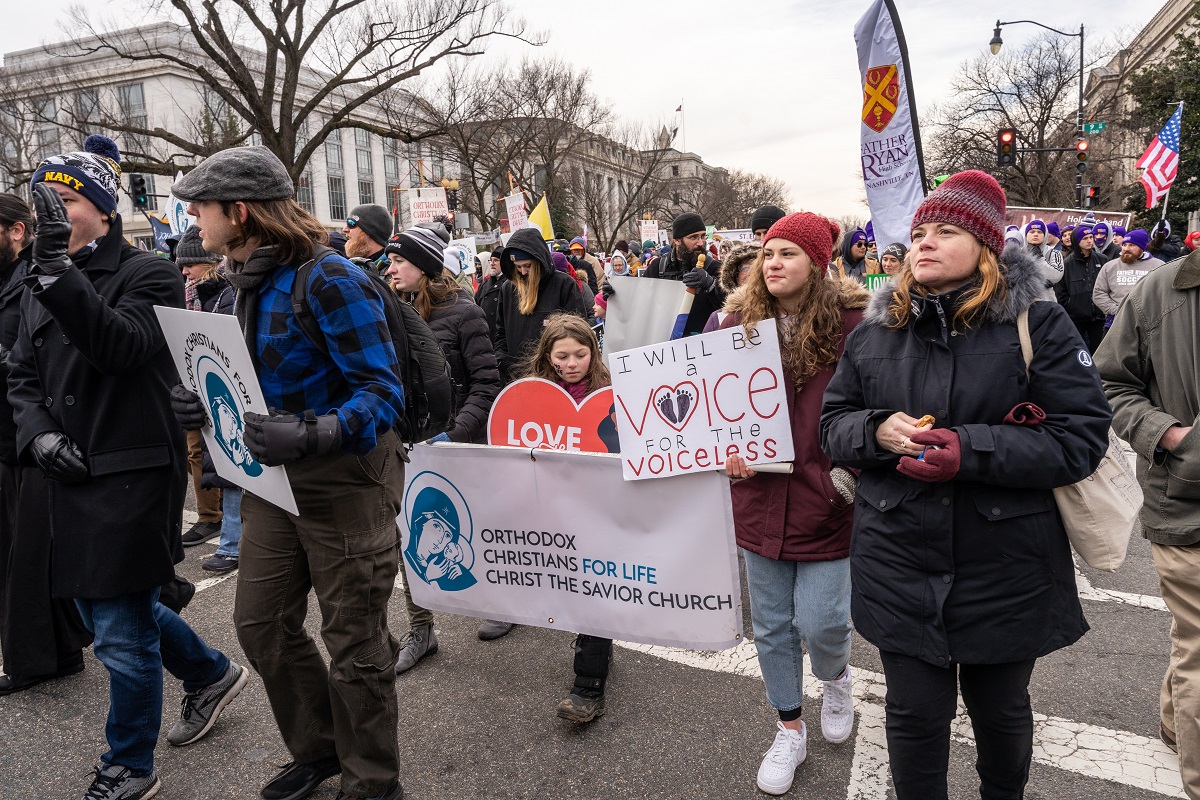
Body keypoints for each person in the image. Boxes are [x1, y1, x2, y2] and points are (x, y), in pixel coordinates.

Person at [820, 170, 1111, 800]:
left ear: (988, 247)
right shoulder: (874, 331)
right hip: (898, 560)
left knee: (1001, 715)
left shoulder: (1039, 325)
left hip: (1004, 566)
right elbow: (832, 426)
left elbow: (1080, 439)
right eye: (919, 231)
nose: (924, 242)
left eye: (946, 231)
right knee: (913, 717)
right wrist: (878, 432)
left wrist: (969, 450)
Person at [10, 136, 247, 799]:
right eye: (44, 203)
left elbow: (123, 348)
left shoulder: (148, 271)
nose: (50, 213)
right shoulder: (37, 276)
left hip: (132, 473)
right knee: (115, 608)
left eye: (65, 200)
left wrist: (58, 272)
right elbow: (20, 375)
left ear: (103, 210)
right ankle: (210, 674)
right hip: (66, 473)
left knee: (117, 631)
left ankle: (129, 764)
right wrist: (35, 434)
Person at [170, 145, 406, 800]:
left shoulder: (330, 278)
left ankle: (373, 782)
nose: (192, 215)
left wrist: (312, 430)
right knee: (260, 624)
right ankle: (321, 750)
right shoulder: (237, 281)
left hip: (345, 483)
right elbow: (238, 384)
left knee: (355, 646)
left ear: (239, 212)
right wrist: (197, 402)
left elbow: (383, 395)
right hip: (273, 483)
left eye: (201, 206)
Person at [722, 213, 868, 796]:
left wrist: (846, 478)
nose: (773, 262)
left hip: (824, 498)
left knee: (823, 619)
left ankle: (835, 677)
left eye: (787, 252)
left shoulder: (854, 326)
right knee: (772, 628)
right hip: (758, 500)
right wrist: (725, 452)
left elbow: (878, 406)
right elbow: (714, 407)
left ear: (818, 262)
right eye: (767, 253)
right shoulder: (737, 323)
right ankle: (788, 727)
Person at [1095, 242, 1200, 800]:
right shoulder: (1162, 291)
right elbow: (1110, 383)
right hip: (1188, 504)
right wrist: (1172, 436)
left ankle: (1172, 719)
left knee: (1195, 642)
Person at [382, 224, 501, 670]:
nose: (390, 268)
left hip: (456, 445)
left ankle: (498, 605)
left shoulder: (465, 314)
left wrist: (454, 434)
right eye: (390, 260)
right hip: (408, 443)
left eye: (399, 261)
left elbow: (487, 385)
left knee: (474, 528)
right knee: (408, 536)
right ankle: (421, 628)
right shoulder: (389, 310)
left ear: (426, 268)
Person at [0, 192, 92, 698]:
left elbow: (41, 358)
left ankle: (39, 657)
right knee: (20, 552)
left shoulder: (37, 278)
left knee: (31, 557)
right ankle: (56, 650)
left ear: (16, 231)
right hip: (14, 431)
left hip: (37, 434)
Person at [516, 314, 615, 723]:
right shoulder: (532, 397)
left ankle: (587, 687)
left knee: (596, 589)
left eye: (580, 354)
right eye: (563, 356)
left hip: (602, 508)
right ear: (548, 357)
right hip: (555, 509)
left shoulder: (612, 396)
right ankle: (600, 648)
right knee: (575, 589)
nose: (572, 363)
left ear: (593, 352)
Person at [176, 225, 228, 547]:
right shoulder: (189, 293)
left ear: (207, 262)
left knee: (213, 451)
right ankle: (211, 514)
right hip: (193, 382)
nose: (183, 271)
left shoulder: (225, 290)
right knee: (195, 451)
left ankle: (216, 517)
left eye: (189, 264)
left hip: (219, 383)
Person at [493, 227, 588, 384]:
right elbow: (501, 334)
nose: (522, 272)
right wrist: (504, 362)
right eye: (517, 266)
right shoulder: (508, 289)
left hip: (555, 378)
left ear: (539, 261)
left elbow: (579, 333)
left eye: (527, 266)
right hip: (516, 378)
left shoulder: (564, 285)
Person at [636, 212, 724, 336]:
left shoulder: (715, 268)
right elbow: (638, 302)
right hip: (665, 346)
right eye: (693, 237)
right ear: (677, 240)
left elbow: (731, 308)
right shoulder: (658, 267)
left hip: (704, 347)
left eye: (703, 236)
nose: (700, 243)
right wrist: (615, 295)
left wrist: (711, 285)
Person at [1091, 229, 1164, 326]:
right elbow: (1098, 293)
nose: (1126, 248)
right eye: (1124, 245)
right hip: (1115, 322)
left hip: (1148, 323)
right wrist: (1116, 310)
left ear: (1142, 247)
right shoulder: (1110, 266)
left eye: (1132, 245)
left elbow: (1164, 293)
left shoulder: (1158, 266)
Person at [1055, 224, 1108, 353]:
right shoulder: (1067, 264)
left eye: (1091, 237)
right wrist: (1072, 307)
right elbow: (1061, 292)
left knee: (1099, 353)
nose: (1090, 240)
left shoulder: (1103, 260)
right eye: (1085, 238)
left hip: (1099, 317)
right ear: (1076, 241)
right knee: (1077, 352)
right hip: (1076, 318)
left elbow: (1109, 286)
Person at [702, 242, 761, 333]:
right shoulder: (717, 318)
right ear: (735, 276)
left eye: (757, 267)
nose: (751, 273)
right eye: (745, 268)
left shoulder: (781, 310)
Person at [341, 203, 392, 276]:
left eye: (351, 223)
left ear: (369, 231)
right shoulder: (351, 267)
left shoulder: (393, 273)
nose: (344, 229)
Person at [1022, 219, 1064, 302]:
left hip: (1046, 302)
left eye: (1039, 232)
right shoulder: (1019, 253)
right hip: (1023, 303)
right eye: (1032, 231)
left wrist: (1039, 258)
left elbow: (1057, 276)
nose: (1036, 234)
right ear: (1026, 235)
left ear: (1045, 235)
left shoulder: (1054, 253)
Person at [475, 246, 507, 341]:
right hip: (485, 336)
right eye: (491, 260)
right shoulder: (485, 284)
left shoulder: (509, 284)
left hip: (500, 337)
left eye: (496, 260)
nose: (492, 263)